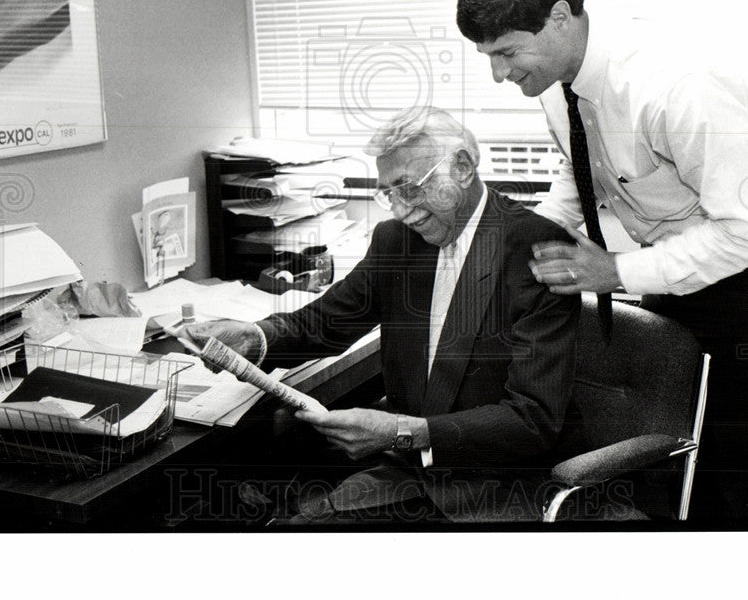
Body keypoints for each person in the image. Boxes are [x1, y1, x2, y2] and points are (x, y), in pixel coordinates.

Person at [456, 0, 748, 521]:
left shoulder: (676, 85)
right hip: (672, 255)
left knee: (743, 472)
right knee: (669, 452)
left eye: (508, 53)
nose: (498, 74)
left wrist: (615, 271)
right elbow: (580, 166)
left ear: (560, 18)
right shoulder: (553, 82)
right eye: (489, 55)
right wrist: (531, 233)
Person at [189, 107, 579, 523]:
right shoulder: (397, 240)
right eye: (388, 193)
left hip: (494, 487)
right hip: (406, 470)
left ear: (462, 167)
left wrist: (402, 431)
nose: (399, 209)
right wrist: (254, 336)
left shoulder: (538, 247)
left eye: (409, 189)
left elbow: (532, 419)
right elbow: (327, 319)